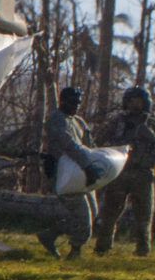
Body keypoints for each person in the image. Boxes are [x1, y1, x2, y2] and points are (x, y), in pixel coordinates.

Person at [93, 85, 155, 255]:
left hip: (143, 174)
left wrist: (153, 138)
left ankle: (143, 249)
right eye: (131, 101)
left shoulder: (152, 123)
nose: (135, 105)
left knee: (144, 216)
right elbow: (98, 141)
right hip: (119, 172)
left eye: (138, 101)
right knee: (110, 213)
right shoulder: (117, 122)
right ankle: (102, 246)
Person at [36, 86, 111, 259]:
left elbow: (89, 146)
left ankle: (50, 234)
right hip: (64, 175)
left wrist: (99, 162)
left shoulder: (79, 121)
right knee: (82, 215)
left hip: (82, 173)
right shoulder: (56, 119)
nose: (75, 106)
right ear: (63, 101)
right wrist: (87, 165)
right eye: (72, 102)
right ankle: (75, 251)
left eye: (78, 103)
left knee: (91, 213)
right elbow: (69, 145)